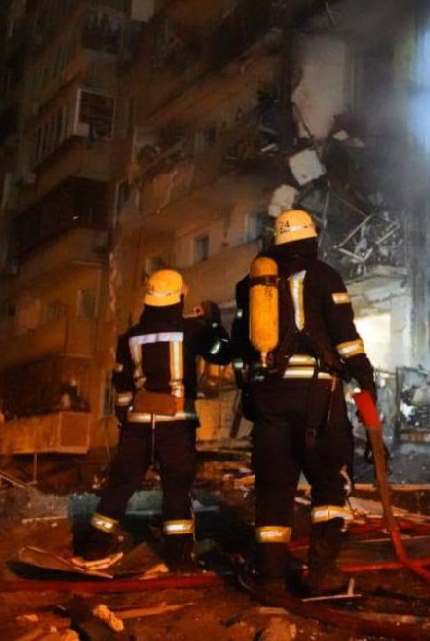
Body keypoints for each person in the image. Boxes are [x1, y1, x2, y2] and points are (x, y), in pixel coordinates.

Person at [231, 209, 378, 597]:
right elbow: (345, 337)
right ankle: (322, 572)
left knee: (274, 487)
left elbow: (240, 347)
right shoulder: (324, 275)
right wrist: (364, 377)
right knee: (329, 480)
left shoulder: (250, 285)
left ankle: (271, 578)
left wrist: (250, 390)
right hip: (317, 394)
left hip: (269, 397)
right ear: (312, 239)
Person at [74, 269, 228, 570]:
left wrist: (126, 422)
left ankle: (94, 549)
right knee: (176, 489)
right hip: (177, 423)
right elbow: (221, 353)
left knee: (120, 485)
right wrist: (213, 322)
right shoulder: (191, 330)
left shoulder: (129, 337)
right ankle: (179, 559)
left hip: (138, 424)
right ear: (178, 298)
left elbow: (122, 388)